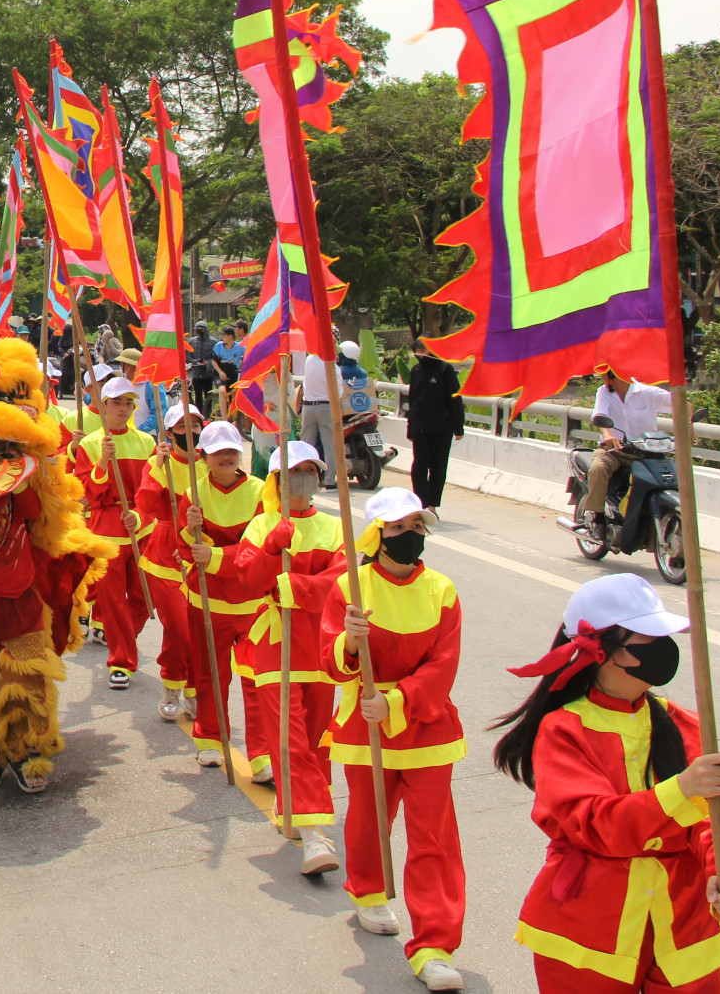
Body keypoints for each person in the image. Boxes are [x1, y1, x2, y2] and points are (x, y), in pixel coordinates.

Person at [493, 575, 720, 992]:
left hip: (686, 920)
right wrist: (682, 789)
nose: (663, 650)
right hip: (591, 922)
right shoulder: (564, 730)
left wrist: (717, 869)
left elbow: (709, 822)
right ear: (601, 652)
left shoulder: (683, 722)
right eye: (649, 639)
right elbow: (596, 824)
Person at [324, 486, 466, 991]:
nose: (410, 536)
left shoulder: (443, 590)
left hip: (426, 724)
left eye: (416, 528)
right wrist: (348, 639)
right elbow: (330, 661)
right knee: (369, 817)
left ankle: (434, 944)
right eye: (400, 528)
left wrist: (399, 701)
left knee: (434, 836)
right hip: (366, 723)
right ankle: (368, 891)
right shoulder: (351, 587)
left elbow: (444, 664)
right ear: (378, 534)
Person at [207, 443, 347, 873]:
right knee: (289, 738)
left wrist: (298, 589)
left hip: (321, 644)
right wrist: (271, 550)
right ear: (277, 481)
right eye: (293, 472)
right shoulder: (262, 525)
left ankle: (300, 809)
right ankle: (314, 835)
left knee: (318, 738)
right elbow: (246, 581)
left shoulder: (335, 528)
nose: (301, 479)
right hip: (275, 644)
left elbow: (344, 579)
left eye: (310, 471)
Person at [175, 427, 278, 776]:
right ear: (203, 456)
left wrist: (215, 555)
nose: (226, 456)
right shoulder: (193, 492)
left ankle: (262, 755)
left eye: (232, 449)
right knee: (209, 677)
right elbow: (181, 546)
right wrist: (191, 530)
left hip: (253, 604)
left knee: (256, 680)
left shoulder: (262, 491)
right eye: (218, 451)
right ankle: (209, 740)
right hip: (208, 602)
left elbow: (264, 549)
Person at [76, 377, 157, 690]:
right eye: (116, 403)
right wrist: (104, 460)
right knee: (111, 602)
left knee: (145, 599)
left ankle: (123, 641)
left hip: (141, 527)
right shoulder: (91, 444)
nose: (123, 409)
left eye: (128, 403)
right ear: (103, 405)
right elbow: (90, 493)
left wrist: (139, 514)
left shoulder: (146, 443)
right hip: (106, 530)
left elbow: (153, 490)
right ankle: (121, 660)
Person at [136, 402, 204, 720]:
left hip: (203, 554)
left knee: (199, 628)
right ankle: (173, 687)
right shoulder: (159, 463)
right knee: (178, 626)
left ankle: (193, 689)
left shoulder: (211, 463)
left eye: (196, 426)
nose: (190, 433)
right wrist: (159, 466)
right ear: (170, 432)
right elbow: (146, 503)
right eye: (182, 427)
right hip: (166, 555)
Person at [580, 368, 675, 538]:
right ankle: (598, 518)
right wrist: (608, 435)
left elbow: (679, 403)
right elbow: (599, 415)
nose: (602, 377)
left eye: (604, 373)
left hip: (645, 453)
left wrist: (688, 420)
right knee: (598, 468)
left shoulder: (647, 392)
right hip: (615, 450)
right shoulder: (604, 392)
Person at [405, 342, 464, 512]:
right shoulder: (416, 371)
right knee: (419, 467)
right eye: (418, 351)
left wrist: (458, 426)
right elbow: (413, 400)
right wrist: (410, 426)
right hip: (420, 428)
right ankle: (420, 503)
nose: (421, 354)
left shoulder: (445, 369)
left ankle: (432, 506)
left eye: (424, 350)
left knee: (438, 468)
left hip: (442, 428)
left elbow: (455, 398)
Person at [294, 348, 339, 486]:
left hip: (308, 407)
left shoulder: (310, 360)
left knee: (306, 445)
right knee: (330, 445)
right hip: (326, 407)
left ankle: (303, 476)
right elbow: (340, 392)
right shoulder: (333, 367)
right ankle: (330, 481)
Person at [188, 321, 219, 413]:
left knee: (208, 394)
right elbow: (188, 356)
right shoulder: (192, 341)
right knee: (197, 394)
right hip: (196, 372)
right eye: (197, 329)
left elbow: (216, 356)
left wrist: (208, 362)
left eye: (202, 329)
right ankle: (199, 413)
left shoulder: (213, 341)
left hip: (208, 372)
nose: (200, 330)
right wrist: (195, 361)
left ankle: (208, 414)